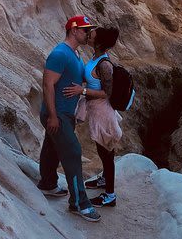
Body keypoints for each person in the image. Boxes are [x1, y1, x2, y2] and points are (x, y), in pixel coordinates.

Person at [37, 15, 101, 222]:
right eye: (85, 30)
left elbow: (77, 78)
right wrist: (53, 116)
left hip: (65, 113)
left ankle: (47, 184)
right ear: (74, 30)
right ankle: (79, 203)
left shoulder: (74, 54)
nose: (88, 33)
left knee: (52, 147)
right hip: (58, 114)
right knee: (73, 152)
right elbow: (48, 85)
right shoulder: (59, 54)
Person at [63, 26, 122, 208]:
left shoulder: (104, 64)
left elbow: (107, 93)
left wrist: (83, 90)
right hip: (95, 111)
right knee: (101, 149)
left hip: (103, 112)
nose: (88, 36)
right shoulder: (96, 58)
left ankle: (110, 196)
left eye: (92, 36)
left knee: (106, 153)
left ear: (99, 42)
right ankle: (104, 179)